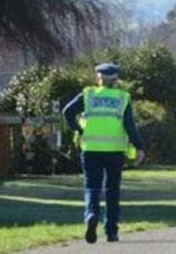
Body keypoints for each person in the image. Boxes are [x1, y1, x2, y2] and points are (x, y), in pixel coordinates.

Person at [62, 63, 145, 244]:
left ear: (98, 79)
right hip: (115, 150)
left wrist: (78, 128)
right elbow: (129, 125)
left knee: (92, 186)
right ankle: (111, 231)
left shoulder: (88, 95)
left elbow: (67, 112)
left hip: (90, 149)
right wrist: (139, 147)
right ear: (115, 80)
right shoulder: (122, 98)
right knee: (112, 190)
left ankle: (91, 214)